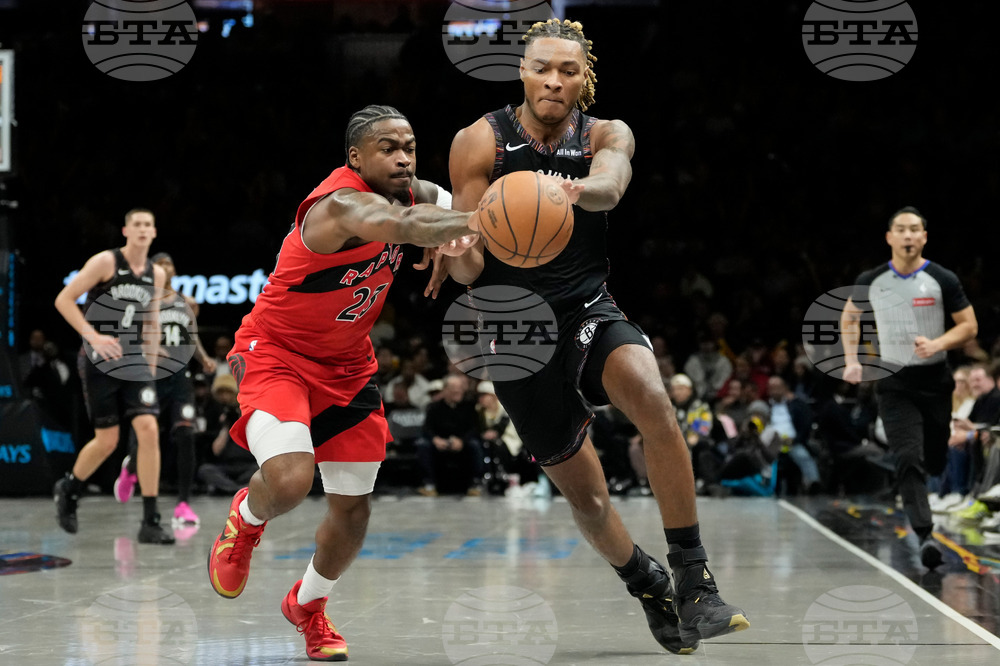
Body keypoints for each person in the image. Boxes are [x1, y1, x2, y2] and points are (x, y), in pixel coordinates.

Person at [426, 18, 748, 654]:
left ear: (584, 78)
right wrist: (461, 242)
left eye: (568, 71)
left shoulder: (605, 132)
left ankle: (693, 576)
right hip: (513, 331)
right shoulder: (478, 142)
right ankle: (646, 581)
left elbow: (611, 185)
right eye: (543, 67)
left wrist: (567, 192)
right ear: (522, 69)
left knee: (654, 400)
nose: (554, 80)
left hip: (585, 307)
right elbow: (464, 267)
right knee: (590, 498)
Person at [205, 104, 478, 661]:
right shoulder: (338, 205)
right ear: (355, 157)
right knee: (289, 480)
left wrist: (466, 238)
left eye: (410, 147)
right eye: (388, 148)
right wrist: (481, 222)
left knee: (353, 509)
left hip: (349, 366)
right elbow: (404, 227)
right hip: (274, 353)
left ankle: (308, 607)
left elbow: (465, 241)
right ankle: (246, 520)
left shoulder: (417, 192)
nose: (403, 158)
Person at [842, 206, 978, 569]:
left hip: (935, 380)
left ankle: (934, 473)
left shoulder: (941, 278)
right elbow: (850, 316)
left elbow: (969, 326)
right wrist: (852, 359)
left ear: (924, 237)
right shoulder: (871, 279)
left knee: (934, 457)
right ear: (889, 237)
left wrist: (938, 344)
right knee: (906, 456)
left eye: (914, 229)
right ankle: (925, 534)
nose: (907, 235)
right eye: (900, 229)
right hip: (894, 381)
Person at [52, 208, 175, 544]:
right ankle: (70, 488)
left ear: (153, 232)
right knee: (107, 441)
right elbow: (63, 300)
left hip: (135, 361)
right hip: (100, 358)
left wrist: (150, 367)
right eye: (136, 224)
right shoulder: (105, 262)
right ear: (125, 230)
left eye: (148, 224)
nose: (142, 229)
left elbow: (151, 323)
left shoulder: (156, 274)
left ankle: (150, 521)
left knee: (148, 429)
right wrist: (92, 336)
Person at [114, 252, 217, 526]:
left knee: (186, 435)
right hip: (150, 376)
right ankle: (131, 469)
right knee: (147, 433)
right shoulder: (143, 301)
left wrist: (203, 357)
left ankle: (183, 504)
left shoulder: (186, 303)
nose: (165, 267)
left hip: (180, 377)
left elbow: (190, 337)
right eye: (159, 264)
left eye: (169, 263)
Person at [415, 373, 485, 496]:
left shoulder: (469, 407)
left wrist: (462, 440)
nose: (457, 391)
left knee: (475, 444)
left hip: (462, 442)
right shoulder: (434, 407)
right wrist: (435, 439)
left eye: (459, 389)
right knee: (423, 444)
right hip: (440, 442)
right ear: (445, 390)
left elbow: (474, 429)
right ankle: (429, 484)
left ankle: (476, 483)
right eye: (453, 389)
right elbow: (427, 428)